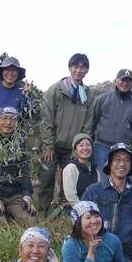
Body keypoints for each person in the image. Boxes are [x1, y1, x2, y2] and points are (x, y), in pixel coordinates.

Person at [38, 53, 94, 212]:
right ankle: (43, 212)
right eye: (76, 66)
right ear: (70, 68)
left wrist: (81, 147)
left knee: (69, 181)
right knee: (47, 178)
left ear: (87, 70)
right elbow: (46, 119)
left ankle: (64, 213)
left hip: (72, 148)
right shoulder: (56, 90)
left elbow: (88, 124)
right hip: (52, 145)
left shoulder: (88, 94)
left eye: (83, 67)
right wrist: (47, 144)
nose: (79, 70)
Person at [91, 69, 132, 173]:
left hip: (123, 148)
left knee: (121, 179)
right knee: (102, 178)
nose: (125, 83)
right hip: (101, 146)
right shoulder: (102, 99)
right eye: (122, 80)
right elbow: (93, 120)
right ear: (116, 81)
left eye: (128, 81)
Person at [62, 133, 99, 205]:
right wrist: (83, 211)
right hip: (75, 210)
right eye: (81, 145)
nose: (85, 148)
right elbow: (71, 197)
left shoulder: (95, 171)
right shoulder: (71, 168)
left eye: (88, 145)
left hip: (93, 211)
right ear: (75, 150)